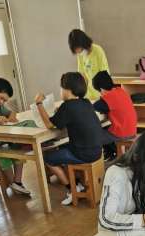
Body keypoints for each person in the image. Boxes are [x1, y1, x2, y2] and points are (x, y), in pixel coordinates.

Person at [35, 72, 104, 206]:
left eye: (61, 88)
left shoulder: (67, 106)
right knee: (62, 148)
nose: (60, 91)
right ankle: (77, 184)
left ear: (68, 90)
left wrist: (39, 103)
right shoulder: (86, 102)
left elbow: (49, 124)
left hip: (83, 154)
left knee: (48, 159)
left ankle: (72, 189)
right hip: (97, 150)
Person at [93, 71, 137, 159]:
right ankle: (111, 154)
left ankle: (101, 158)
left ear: (101, 89)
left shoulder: (108, 98)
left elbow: (92, 107)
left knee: (92, 136)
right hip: (132, 130)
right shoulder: (121, 91)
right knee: (105, 128)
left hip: (122, 134)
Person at [68, 29, 109, 101]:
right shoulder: (80, 55)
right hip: (88, 96)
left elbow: (104, 75)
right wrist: (80, 95)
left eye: (80, 49)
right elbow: (82, 75)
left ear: (84, 43)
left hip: (101, 94)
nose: (79, 53)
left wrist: (103, 96)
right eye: (77, 51)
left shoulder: (98, 50)